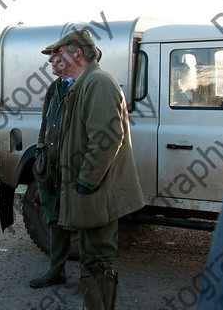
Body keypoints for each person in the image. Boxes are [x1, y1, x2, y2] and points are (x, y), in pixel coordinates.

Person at [44, 29, 145, 310]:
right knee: (91, 258)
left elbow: (106, 139)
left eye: (59, 53)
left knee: (99, 260)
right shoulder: (82, 83)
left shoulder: (98, 82)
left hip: (97, 193)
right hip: (90, 192)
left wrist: (86, 182)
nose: (53, 59)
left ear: (78, 54)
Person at [29, 50, 74, 289]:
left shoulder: (84, 87)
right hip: (50, 165)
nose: (51, 62)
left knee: (81, 219)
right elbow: (45, 124)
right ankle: (57, 271)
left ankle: (94, 279)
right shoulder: (54, 88)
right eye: (52, 58)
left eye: (57, 58)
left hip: (73, 167)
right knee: (53, 218)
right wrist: (40, 153)